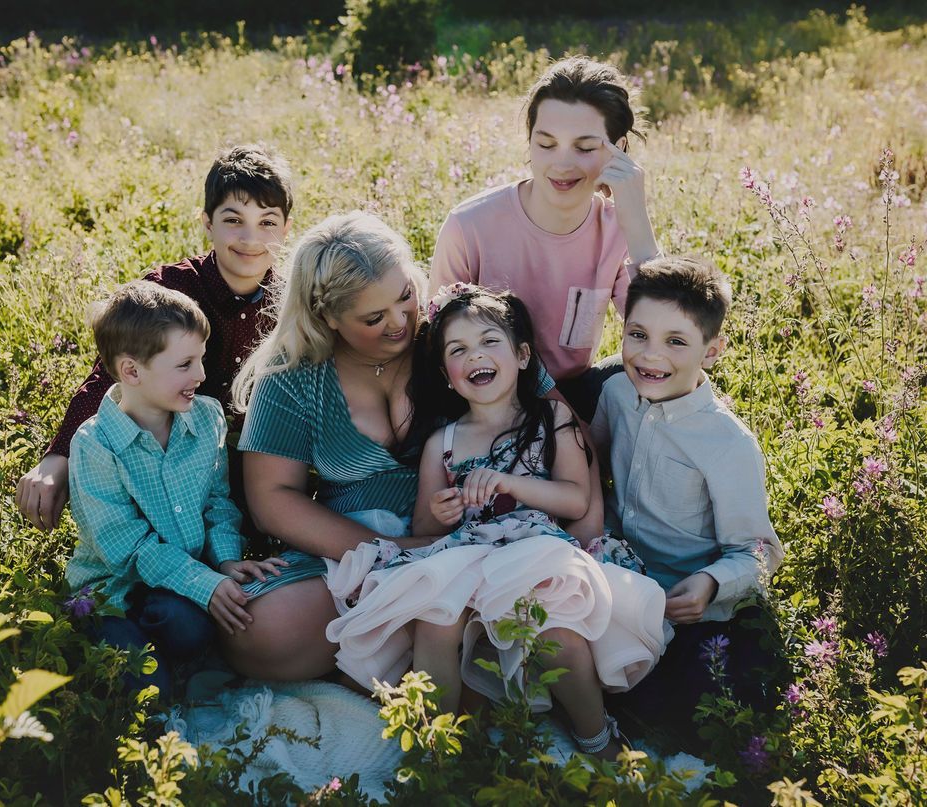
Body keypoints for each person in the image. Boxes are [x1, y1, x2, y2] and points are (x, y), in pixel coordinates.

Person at [324, 284, 669, 760]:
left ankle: (599, 738)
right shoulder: (443, 442)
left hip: (540, 553)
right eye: (458, 350)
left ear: (523, 355)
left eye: (490, 342)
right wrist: (444, 510)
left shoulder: (551, 419)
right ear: (446, 374)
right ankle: (441, 747)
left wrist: (513, 485)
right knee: (436, 620)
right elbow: (427, 522)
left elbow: (575, 498)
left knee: (557, 635)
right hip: (469, 558)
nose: (475, 356)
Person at [16, 144, 293, 531]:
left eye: (267, 222)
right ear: (208, 223)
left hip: (252, 464)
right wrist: (58, 457)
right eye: (233, 220)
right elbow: (112, 372)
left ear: (286, 229)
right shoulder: (172, 290)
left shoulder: (291, 303)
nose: (250, 238)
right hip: (165, 458)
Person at [223, 211, 438, 681]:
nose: (401, 322)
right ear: (328, 317)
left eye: (406, 297)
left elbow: (550, 413)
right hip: (354, 547)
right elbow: (272, 501)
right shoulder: (294, 374)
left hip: (463, 531)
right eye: (374, 317)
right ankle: (411, 646)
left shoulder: (449, 333)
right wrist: (390, 552)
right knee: (259, 631)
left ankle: (393, 652)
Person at [588, 256, 785, 736]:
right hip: (626, 583)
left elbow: (760, 551)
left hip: (692, 605)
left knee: (693, 713)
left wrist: (710, 584)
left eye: (676, 342)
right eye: (638, 335)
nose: (650, 356)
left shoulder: (728, 444)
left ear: (712, 351)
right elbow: (590, 472)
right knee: (573, 671)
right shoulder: (616, 394)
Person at [65, 281, 285, 698]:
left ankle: (185, 659)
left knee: (190, 626)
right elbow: (128, 549)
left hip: (173, 585)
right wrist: (204, 584)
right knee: (149, 690)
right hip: (112, 592)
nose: (201, 375)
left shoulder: (205, 419)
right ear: (132, 371)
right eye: (185, 364)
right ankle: (157, 672)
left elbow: (218, 501)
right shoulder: (95, 444)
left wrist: (223, 561)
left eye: (200, 359)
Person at [430, 55, 660, 422]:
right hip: (485, 401)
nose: (562, 164)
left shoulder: (619, 228)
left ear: (617, 150)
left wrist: (637, 219)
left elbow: (664, 334)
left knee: (655, 373)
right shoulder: (468, 226)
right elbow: (439, 350)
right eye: (546, 143)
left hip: (574, 392)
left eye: (585, 148)